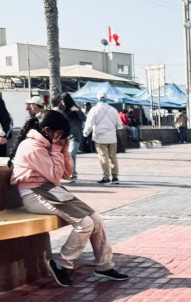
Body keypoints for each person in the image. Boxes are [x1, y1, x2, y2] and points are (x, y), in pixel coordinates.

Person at [9, 110, 129, 287]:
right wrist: (57, 149)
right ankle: (61, 265)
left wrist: (63, 150)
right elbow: (56, 176)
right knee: (85, 224)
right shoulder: (31, 147)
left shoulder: (48, 144)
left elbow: (66, 173)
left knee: (96, 220)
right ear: (48, 131)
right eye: (60, 134)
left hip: (51, 190)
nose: (61, 138)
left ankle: (104, 266)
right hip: (34, 194)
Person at [84, 88, 122, 184]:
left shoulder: (94, 109)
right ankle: (115, 177)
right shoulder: (113, 109)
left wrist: (85, 133)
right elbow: (119, 125)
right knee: (113, 156)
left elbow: (89, 123)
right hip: (112, 137)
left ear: (97, 98)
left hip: (100, 137)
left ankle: (106, 177)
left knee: (103, 156)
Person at [61, 95, 85, 182]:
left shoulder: (76, 109)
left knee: (72, 154)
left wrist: (78, 111)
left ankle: (73, 174)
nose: (62, 103)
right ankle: (67, 173)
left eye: (63, 101)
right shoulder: (63, 111)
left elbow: (84, 118)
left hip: (75, 135)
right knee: (66, 155)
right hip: (65, 136)